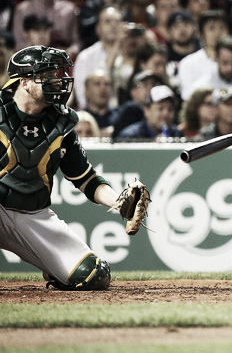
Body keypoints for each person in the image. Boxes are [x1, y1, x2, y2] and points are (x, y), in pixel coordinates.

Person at [0, 45, 126, 290]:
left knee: (92, 276)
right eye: (48, 76)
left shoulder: (62, 121)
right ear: (25, 81)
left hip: (32, 213)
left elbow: (85, 178)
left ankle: (56, 268)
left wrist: (119, 202)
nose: (57, 82)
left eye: (58, 76)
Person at [72, 6, 124, 110]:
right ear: (98, 29)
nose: (113, 25)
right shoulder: (85, 57)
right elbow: (82, 96)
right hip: (94, 114)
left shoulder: (130, 53)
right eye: (108, 21)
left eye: (117, 21)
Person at [117, 84, 183, 141]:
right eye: (160, 108)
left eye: (170, 110)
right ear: (146, 111)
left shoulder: (177, 135)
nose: (165, 114)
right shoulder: (130, 137)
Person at [111, 70, 165, 138]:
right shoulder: (128, 111)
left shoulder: (164, 110)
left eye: (154, 84)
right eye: (145, 84)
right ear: (133, 92)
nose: (150, 88)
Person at [82, 69, 116, 137]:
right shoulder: (78, 120)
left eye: (107, 84)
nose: (103, 88)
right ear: (86, 91)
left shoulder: (120, 118)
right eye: (97, 84)